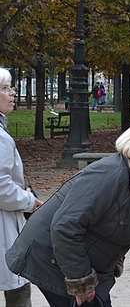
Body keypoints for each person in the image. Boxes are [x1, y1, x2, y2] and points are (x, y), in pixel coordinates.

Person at [6, 117, 130, 307]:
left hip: (85, 263)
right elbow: (65, 226)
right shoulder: (110, 175)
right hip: (51, 257)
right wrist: (81, 283)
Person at [0, 68, 43, 307]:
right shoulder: (0, 137)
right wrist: (28, 200)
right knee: (17, 291)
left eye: (11, 87)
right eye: (5, 88)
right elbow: (1, 188)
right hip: (3, 225)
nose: (12, 93)